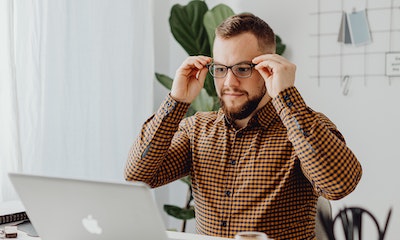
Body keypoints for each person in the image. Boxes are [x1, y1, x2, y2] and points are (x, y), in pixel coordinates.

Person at [125, 13, 362, 239]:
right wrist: (176, 101)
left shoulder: (305, 127)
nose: (229, 82)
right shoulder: (197, 129)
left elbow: (339, 185)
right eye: (220, 69)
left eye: (242, 69)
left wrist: (287, 97)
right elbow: (138, 176)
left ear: (269, 67)